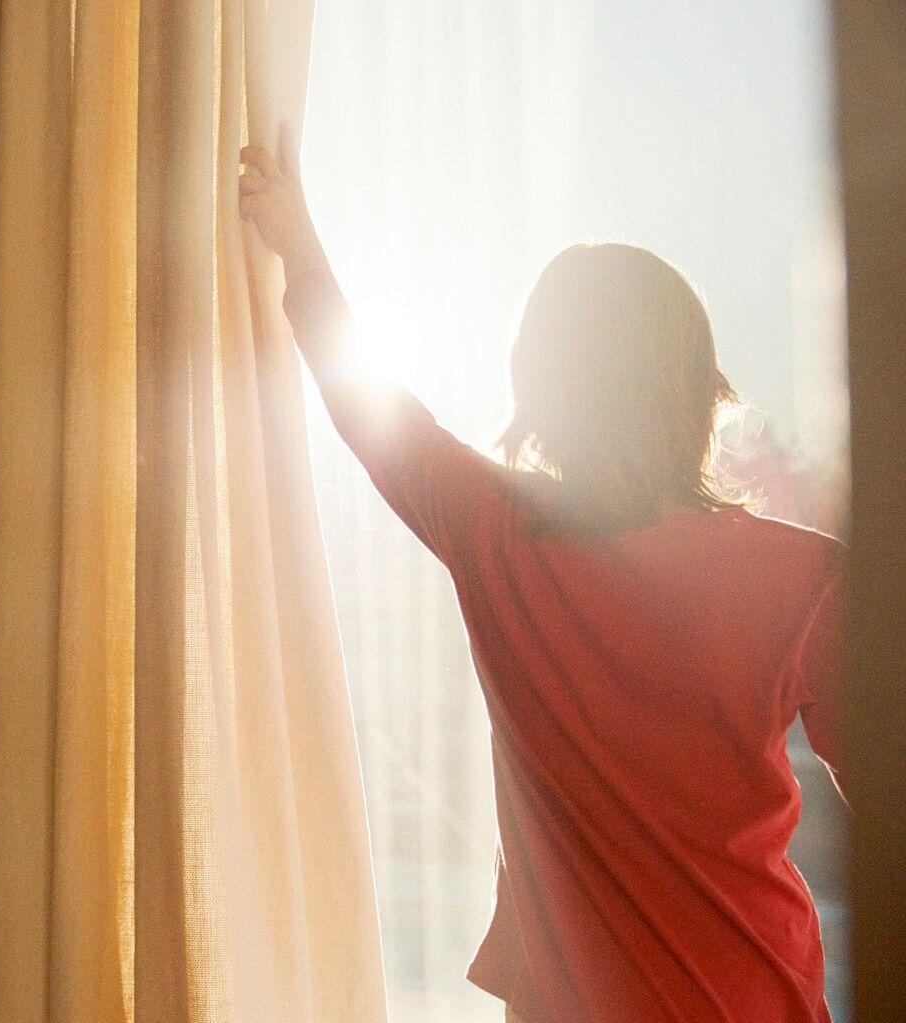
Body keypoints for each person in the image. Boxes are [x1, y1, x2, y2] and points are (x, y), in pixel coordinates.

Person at [239, 131, 849, 1023]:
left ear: (541, 390)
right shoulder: (804, 578)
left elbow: (368, 404)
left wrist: (300, 245)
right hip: (757, 998)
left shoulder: (496, 532)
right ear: (698, 387)